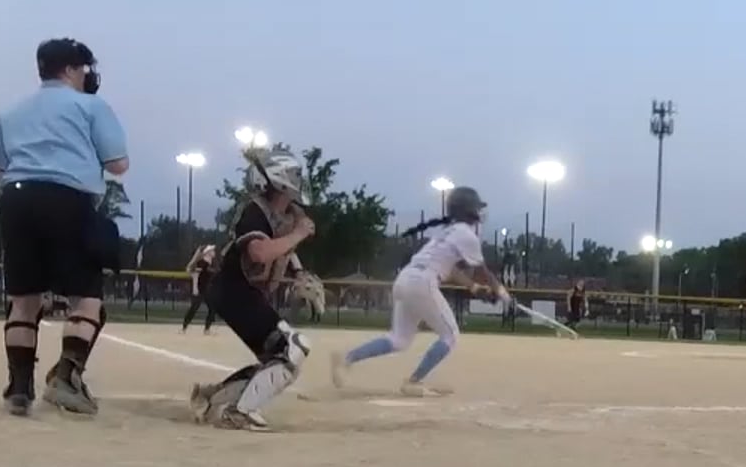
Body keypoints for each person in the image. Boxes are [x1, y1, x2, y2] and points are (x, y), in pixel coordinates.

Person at [0, 37, 128, 417]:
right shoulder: (90, 106)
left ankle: (19, 388)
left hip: (16, 199)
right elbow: (118, 165)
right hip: (68, 199)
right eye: (83, 69)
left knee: (24, 299)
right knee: (86, 298)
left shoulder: (10, 112)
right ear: (68, 69)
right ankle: (67, 377)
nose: (86, 76)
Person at [185, 149, 318, 430]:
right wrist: (299, 234)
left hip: (240, 293)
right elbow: (259, 252)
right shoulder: (255, 211)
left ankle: (212, 398)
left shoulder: (284, 215)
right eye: (293, 175)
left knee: (277, 358)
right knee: (294, 348)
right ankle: (239, 412)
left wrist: (298, 272)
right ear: (280, 180)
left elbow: (282, 247)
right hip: (233, 290)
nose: (298, 181)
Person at [329, 186, 505, 397]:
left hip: (405, 279)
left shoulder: (446, 232)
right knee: (450, 336)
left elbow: (451, 269)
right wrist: (502, 293)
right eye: (476, 208)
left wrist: (474, 288)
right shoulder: (467, 235)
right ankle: (414, 381)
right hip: (423, 282)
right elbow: (483, 271)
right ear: (468, 210)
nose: (479, 212)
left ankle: (347, 358)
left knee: (399, 339)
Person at [180, 244, 217, 333]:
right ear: (207, 253)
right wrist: (195, 289)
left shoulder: (209, 263)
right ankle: (184, 327)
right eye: (212, 250)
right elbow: (194, 273)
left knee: (212, 308)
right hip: (200, 289)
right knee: (194, 308)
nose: (214, 252)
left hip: (206, 290)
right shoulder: (202, 263)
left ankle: (207, 329)